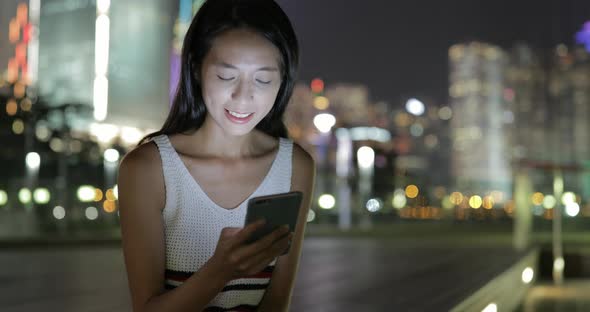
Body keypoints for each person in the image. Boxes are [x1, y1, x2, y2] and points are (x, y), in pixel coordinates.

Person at [117, 0, 315, 311]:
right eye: (226, 77)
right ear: (196, 68)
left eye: (262, 80)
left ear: (283, 80)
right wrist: (221, 270)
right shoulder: (149, 168)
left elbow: (276, 304)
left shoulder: (294, 167)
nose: (242, 96)